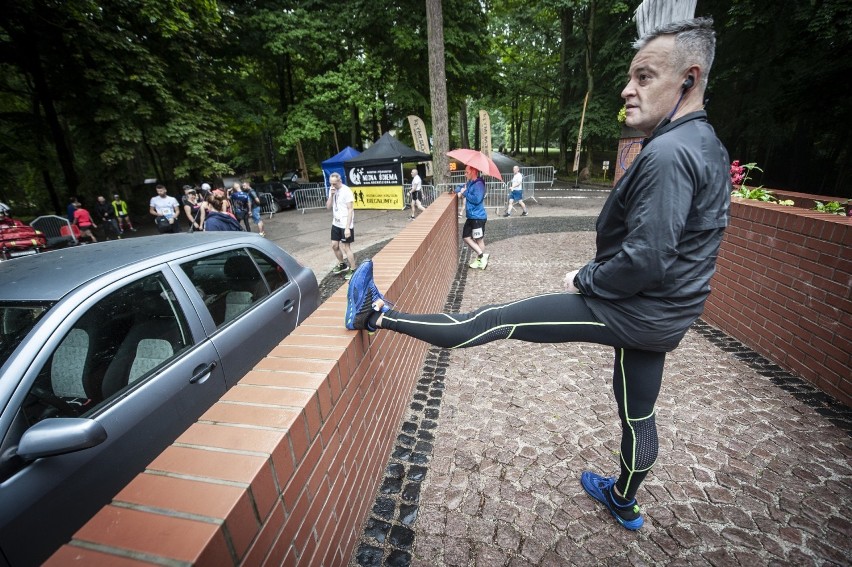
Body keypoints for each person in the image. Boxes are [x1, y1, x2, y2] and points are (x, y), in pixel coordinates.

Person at [345, 17, 730, 531]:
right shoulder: (708, 144)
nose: (626, 89)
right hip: (665, 319)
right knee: (638, 413)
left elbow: (647, 258)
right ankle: (624, 500)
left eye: (643, 77)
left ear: (690, 77)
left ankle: (376, 314)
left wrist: (586, 279)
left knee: (495, 319)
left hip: (632, 308)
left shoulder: (669, 153)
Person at [455, 165, 489, 269]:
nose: (465, 174)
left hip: (477, 217)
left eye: (466, 172)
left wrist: (464, 192)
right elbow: (459, 187)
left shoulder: (478, 184)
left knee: (478, 239)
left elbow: (476, 199)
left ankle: (481, 258)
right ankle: (482, 257)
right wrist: (459, 191)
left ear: (473, 171)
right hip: (472, 216)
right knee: (466, 237)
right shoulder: (470, 182)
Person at [326, 172, 356, 280]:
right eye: (331, 183)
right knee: (334, 245)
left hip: (345, 223)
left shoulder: (346, 191)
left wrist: (347, 227)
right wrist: (332, 194)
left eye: (335, 183)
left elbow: (350, 209)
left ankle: (353, 269)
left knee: (346, 247)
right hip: (336, 223)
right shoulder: (332, 190)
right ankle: (342, 264)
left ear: (340, 181)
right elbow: (328, 207)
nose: (333, 185)